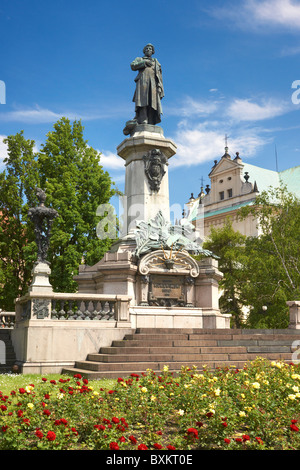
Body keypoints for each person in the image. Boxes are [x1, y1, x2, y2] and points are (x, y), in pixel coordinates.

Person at [130, 44, 164, 125]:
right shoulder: (140, 59)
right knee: (143, 101)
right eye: (147, 48)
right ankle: (143, 119)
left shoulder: (156, 62)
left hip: (153, 83)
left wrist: (160, 86)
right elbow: (133, 66)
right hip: (143, 81)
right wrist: (144, 62)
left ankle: (151, 120)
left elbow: (159, 76)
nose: (148, 50)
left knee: (153, 102)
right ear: (144, 51)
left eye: (150, 49)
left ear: (153, 52)